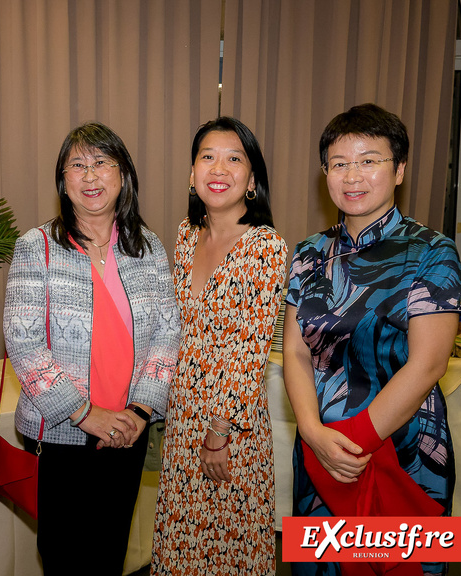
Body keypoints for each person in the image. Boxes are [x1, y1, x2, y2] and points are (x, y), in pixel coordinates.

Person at [283, 103, 461, 576]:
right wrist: (311, 433)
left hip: (405, 448)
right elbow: (295, 351)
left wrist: (351, 443)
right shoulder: (308, 253)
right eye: (339, 164)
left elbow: (429, 364)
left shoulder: (432, 250)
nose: (353, 175)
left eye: (369, 160)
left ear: (399, 169)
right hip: (320, 447)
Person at [3, 122, 180, 576]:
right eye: (77, 165)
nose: (90, 175)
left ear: (123, 175)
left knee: (109, 553)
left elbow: (167, 334)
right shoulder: (37, 247)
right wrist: (86, 414)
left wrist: (139, 412)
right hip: (64, 434)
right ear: (63, 181)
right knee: (64, 556)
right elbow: (24, 345)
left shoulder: (149, 247)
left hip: (128, 431)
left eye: (102, 163)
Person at [151, 117, 287, 575]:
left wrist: (219, 431)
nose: (219, 168)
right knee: (182, 544)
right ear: (192, 174)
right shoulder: (187, 237)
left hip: (229, 429)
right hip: (182, 418)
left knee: (228, 551)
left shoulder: (265, 246)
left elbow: (248, 353)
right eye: (208, 157)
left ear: (252, 179)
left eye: (235, 159)